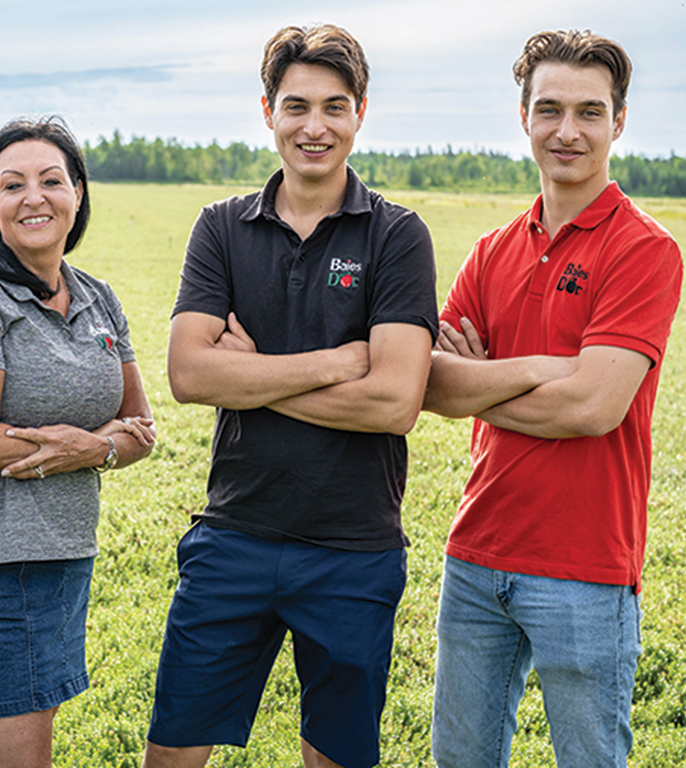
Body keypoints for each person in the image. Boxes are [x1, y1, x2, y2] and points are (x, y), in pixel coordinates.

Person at [142, 24, 438, 768]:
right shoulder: (220, 226)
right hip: (233, 534)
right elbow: (189, 375)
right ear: (268, 110)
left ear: (360, 114)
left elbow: (395, 402)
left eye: (335, 107)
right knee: (171, 753)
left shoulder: (398, 236)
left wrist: (254, 377)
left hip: (353, 548)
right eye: (297, 106)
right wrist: (337, 361)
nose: (316, 127)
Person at [422, 30, 684, 767]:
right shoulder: (492, 249)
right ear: (524, 116)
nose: (567, 131)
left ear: (619, 121)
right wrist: (546, 367)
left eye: (590, 112)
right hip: (475, 557)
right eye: (550, 109)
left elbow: (593, 409)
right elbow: (432, 384)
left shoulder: (643, 248)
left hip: (586, 566)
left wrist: (485, 380)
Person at [0, 116, 157, 768]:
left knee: (11, 730)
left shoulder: (98, 298)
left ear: (77, 193)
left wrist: (93, 449)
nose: (35, 197)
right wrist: (98, 443)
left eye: (52, 180)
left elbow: (142, 426)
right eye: (13, 184)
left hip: (66, 552)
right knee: (22, 743)